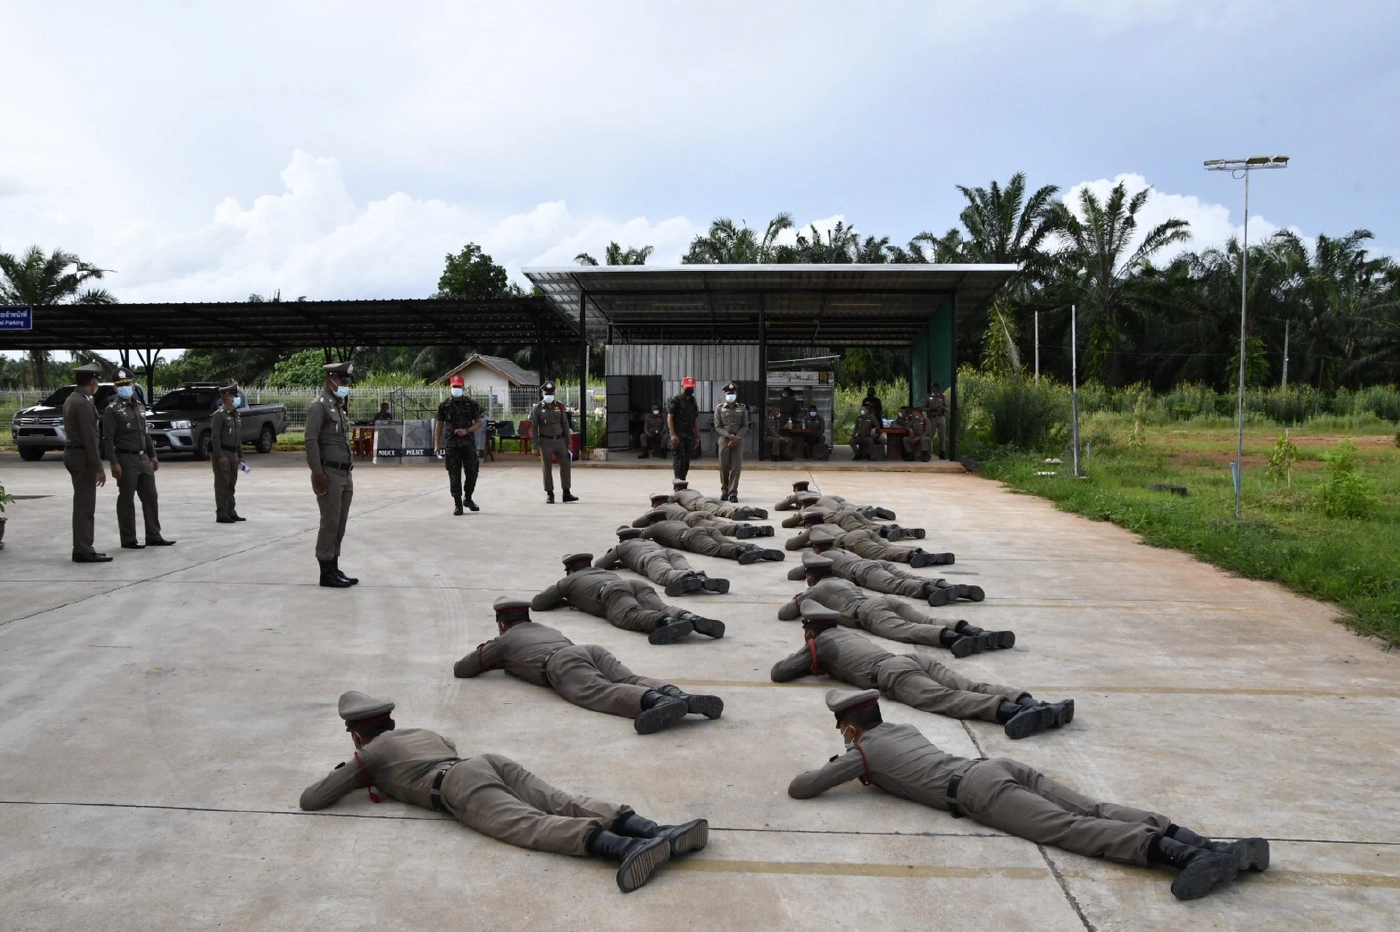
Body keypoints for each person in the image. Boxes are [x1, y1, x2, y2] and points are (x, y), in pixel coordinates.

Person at [789, 690, 1268, 901]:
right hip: (993, 765)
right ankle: (1214, 847)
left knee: (1071, 829)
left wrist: (846, 759)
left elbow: (802, 788)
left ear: (851, 728)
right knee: (1091, 808)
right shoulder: (903, 725)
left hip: (976, 792)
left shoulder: (862, 751)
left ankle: (1182, 857)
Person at [299, 689, 708, 892]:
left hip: (455, 784)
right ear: (389, 719)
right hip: (484, 761)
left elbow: (312, 799)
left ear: (356, 731)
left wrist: (356, 768)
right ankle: (654, 829)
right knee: (561, 799)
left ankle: (623, 849)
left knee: (526, 824)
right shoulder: (421, 731)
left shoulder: (369, 755)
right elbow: (447, 752)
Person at [771, 603, 1072, 739]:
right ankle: (1032, 704)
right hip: (912, 659)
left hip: (891, 674)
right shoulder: (845, 633)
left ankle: (1008, 712)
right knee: (970, 684)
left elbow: (779, 672)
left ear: (810, 630)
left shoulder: (819, 644)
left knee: (946, 699)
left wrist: (809, 651)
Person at [454, 598, 724, 734]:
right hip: (586, 649)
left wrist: (491, 653)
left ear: (501, 623)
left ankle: (655, 702)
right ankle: (680, 696)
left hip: (559, 663)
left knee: (599, 691)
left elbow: (462, 669)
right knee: (631, 678)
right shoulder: (545, 627)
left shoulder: (504, 640)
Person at [779, 551, 1012, 656]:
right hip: (882, 600)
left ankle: (956, 639)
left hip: (867, 612)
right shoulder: (842, 581)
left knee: (908, 630)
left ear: (811, 576)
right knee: (928, 618)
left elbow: (784, 614)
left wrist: (800, 598)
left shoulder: (815, 590)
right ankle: (975, 630)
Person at [530, 553, 724, 644]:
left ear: (570, 569)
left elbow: (538, 603)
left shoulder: (569, 580)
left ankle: (666, 622)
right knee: (662, 606)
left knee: (630, 615)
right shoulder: (600, 570)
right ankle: (690, 618)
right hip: (634, 584)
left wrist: (562, 596)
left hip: (610, 592)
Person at [101, 366, 173, 549]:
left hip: (143, 458)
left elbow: (146, 433)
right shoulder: (112, 410)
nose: (125, 387)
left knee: (151, 497)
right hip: (126, 458)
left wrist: (153, 455)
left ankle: (153, 534)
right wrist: (113, 462)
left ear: (133, 385)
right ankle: (128, 538)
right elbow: (108, 439)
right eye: (121, 385)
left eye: (128, 383)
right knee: (126, 499)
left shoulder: (140, 407)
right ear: (116, 388)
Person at [305, 361, 358, 589]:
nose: (345, 385)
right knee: (330, 523)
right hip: (329, 473)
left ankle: (334, 566)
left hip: (344, 473)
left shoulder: (337, 405)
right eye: (342, 381)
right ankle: (325, 571)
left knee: (340, 524)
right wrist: (317, 473)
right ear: (330, 380)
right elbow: (310, 441)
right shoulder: (319, 406)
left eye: (347, 382)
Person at [62, 362, 109, 563]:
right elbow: (90, 438)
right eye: (96, 380)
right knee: (85, 505)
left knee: (83, 503)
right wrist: (98, 468)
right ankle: (83, 549)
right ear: (92, 381)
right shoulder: (83, 403)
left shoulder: (72, 399)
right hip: (82, 457)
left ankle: (84, 546)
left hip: (74, 454)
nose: (97, 383)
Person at [595, 527, 731, 596]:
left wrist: (615, 561)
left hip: (650, 558)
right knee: (684, 568)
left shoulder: (622, 547)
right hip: (669, 552)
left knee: (665, 574)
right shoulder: (647, 541)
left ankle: (687, 579)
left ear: (621, 538)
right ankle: (700, 577)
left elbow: (599, 565)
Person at [786, 518, 953, 568]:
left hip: (850, 542)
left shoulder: (812, 530)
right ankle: (920, 551)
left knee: (884, 553)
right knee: (890, 546)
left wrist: (804, 536)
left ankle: (911, 556)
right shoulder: (829, 525)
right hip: (859, 533)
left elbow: (790, 545)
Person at [435, 375, 483, 515]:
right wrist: (437, 444)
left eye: (459, 387)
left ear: (463, 387)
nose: (457, 389)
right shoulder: (444, 405)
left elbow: (479, 422)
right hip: (452, 445)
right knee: (454, 475)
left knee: (472, 473)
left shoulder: (471, 404)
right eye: (454, 387)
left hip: (468, 444)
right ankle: (457, 503)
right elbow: (439, 425)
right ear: (450, 387)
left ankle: (468, 499)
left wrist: (467, 430)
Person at [640, 519, 784, 566]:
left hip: (689, 537)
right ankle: (754, 548)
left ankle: (740, 552)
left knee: (715, 548)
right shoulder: (675, 521)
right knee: (727, 541)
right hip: (704, 529)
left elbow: (639, 535)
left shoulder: (654, 527)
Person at [633, 494, 774, 540]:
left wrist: (650, 515)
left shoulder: (659, 510)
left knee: (716, 527)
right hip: (698, 512)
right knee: (719, 519)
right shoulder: (674, 504)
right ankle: (750, 522)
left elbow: (636, 523)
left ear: (654, 504)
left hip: (689, 519)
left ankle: (740, 528)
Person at [530, 380, 576, 504]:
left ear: (554, 393)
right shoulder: (537, 408)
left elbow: (565, 424)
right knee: (547, 468)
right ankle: (550, 494)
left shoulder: (559, 406)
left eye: (551, 393)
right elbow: (534, 427)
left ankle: (566, 492)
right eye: (546, 393)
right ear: (542, 394)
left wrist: (568, 442)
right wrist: (534, 446)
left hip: (559, 440)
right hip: (545, 441)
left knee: (566, 465)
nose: (549, 395)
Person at [210, 384, 245, 524]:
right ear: (227, 398)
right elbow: (215, 437)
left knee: (231, 483)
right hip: (223, 452)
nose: (236, 399)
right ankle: (221, 513)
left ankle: (231, 510)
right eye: (234, 396)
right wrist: (220, 456)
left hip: (234, 453)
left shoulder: (235, 414)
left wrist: (241, 454)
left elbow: (238, 436)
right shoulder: (219, 415)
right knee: (222, 484)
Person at [713, 381, 749, 502]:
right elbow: (717, 427)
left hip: (738, 441)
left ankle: (733, 493)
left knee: (736, 467)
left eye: (733, 393)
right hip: (724, 440)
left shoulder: (742, 408)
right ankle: (724, 491)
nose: (731, 396)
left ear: (736, 394)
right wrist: (729, 436)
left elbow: (745, 426)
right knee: (723, 466)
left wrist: (737, 437)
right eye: (728, 394)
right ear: (724, 395)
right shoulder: (719, 409)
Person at [670, 480, 769, 520]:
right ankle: (748, 509)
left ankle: (736, 512)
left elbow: (667, 502)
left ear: (676, 488)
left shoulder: (678, 494)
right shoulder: (693, 490)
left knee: (718, 510)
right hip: (706, 498)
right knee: (724, 505)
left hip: (698, 503)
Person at [667, 376, 700, 481]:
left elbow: (695, 419)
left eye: (691, 387)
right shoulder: (676, 400)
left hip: (689, 435)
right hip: (678, 435)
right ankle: (678, 484)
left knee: (686, 461)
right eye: (687, 387)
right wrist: (672, 434)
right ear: (682, 386)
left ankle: (683, 481)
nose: (690, 389)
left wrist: (697, 436)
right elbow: (670, 417)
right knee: (679, 460)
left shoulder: (693, 401)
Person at [923, 382, 948, 459]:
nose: (935, 389)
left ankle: (942, 452)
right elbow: (923, 407)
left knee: (942, 435)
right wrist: (931, 409)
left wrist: (942, 407)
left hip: (940, 417)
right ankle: (928, 451)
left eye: (936, 388)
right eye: (933, 388)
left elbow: (946, 408)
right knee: (930, 434)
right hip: (932, 417)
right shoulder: (928, 397)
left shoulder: (942, 396)